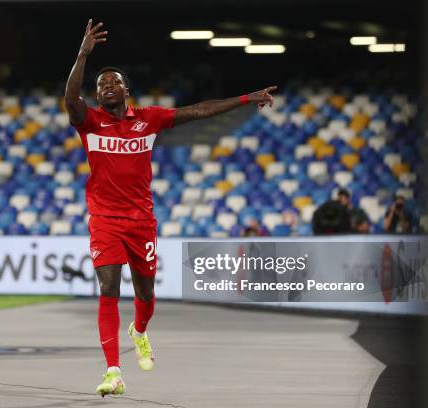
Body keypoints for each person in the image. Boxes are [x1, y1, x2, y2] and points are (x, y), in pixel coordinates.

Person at [64, 19, 276, 396]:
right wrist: (83, 53)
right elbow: (70, 99)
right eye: (101, 85)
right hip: (105, 220)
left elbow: (198, 111)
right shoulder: (90, 123)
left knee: (145, 295)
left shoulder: (148, 119)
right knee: (108, 287)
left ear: (127, 90)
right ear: (97, 96)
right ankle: (113, 370)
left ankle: (139, 331)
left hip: (141, 222)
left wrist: (246, 98)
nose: (107, 86)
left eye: (113, 82)